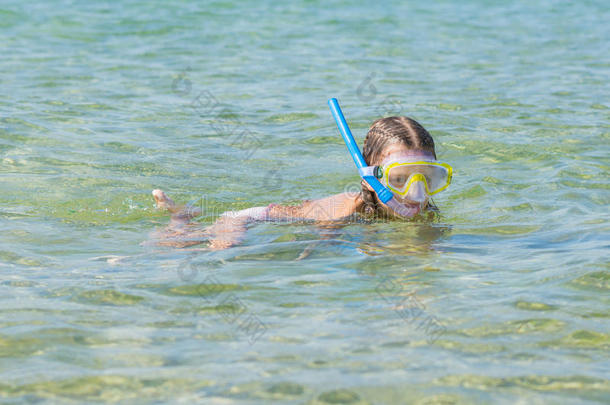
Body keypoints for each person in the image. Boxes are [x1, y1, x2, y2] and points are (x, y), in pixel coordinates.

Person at [152, 115, 452, 250]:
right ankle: (181, 218)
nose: (416, 194)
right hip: (259, 218)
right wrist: (233, 228)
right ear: (371, 177)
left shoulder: (428, 214)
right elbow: (253, 214)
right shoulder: (341, 214)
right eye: (399, 179)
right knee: (181, 248)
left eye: (428, 178)